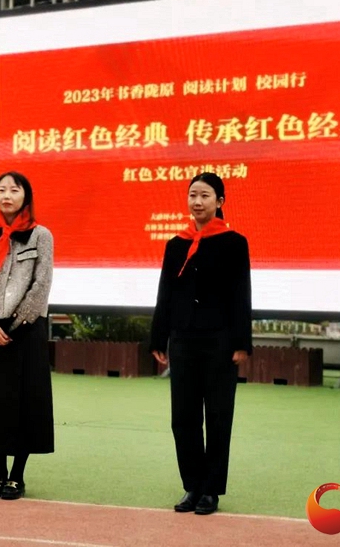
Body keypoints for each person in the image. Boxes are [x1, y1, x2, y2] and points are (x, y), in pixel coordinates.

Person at [149, 172, 252, 516]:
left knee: (219, 416)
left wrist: (241, 342)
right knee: (183, 417)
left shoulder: (234, 243)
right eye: (192, 195)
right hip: (183, 340)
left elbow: (241, 295)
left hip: (220, 341)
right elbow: (165, 292)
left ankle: (211, 490)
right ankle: (192, 486)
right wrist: (158, 336)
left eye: (205, 195)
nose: (197, 201)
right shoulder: (175, 244)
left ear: (219, 202)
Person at [0, 171, 55, 501]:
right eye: (1, 190)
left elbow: (42, 284)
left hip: (26, 333)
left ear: (25, 197)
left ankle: (17, 476)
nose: (6, 195)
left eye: (14, 190)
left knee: (25, 404)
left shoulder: (41, 235)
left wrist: (15, 325)